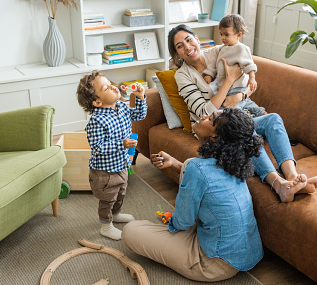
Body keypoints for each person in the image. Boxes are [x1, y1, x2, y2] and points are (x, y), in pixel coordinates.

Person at [168, 24, 317, 200]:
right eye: (179, 46)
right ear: (177, 54)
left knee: (273, 119)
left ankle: (292, 177)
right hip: (212, 125)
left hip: (240, 112)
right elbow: (203, 110)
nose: (187, 47)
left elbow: (248, 82)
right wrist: (229, 80)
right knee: (242, 132)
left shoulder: (221, 51)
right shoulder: (182, 75)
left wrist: (239, 96)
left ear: (197, 39)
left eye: (188, 39)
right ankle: (278, 184)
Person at [122, 108, 266, 282]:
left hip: (213, 264)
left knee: (130, 231)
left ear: (215, 137)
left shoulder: (197, 169)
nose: (204, 116)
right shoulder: (234, 161)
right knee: (189, 167)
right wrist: (176, 164)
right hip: (249, 254)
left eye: (210, 119)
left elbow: (183, 222)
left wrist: (173, 223)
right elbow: (208, 181)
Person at [76, 70, 147, 240]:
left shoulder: (121, 107)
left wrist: (140, 97)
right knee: (107, 199)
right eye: (106, 87)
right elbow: (97, 147)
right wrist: (121, 144)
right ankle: (106, 226)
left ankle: (116, 214)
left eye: (110, 83)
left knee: (121, 193)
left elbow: (139, 114)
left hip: (121, 164)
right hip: (104, 172)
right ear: (98, 102)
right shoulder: (96, 121)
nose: (114, 87)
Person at [202, 14, 265, 117]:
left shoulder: (242, 49)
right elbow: (214, 65)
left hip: (237, 88)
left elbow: (249, 65)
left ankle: (260, 114)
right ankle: (258, 114)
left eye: (226, 34)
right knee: (245, 105)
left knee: (236, 113)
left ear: (239, 35)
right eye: (221, 34)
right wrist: (209, 74)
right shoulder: (222, 49)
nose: (222, 37)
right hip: (224, 90)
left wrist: (252, 78)